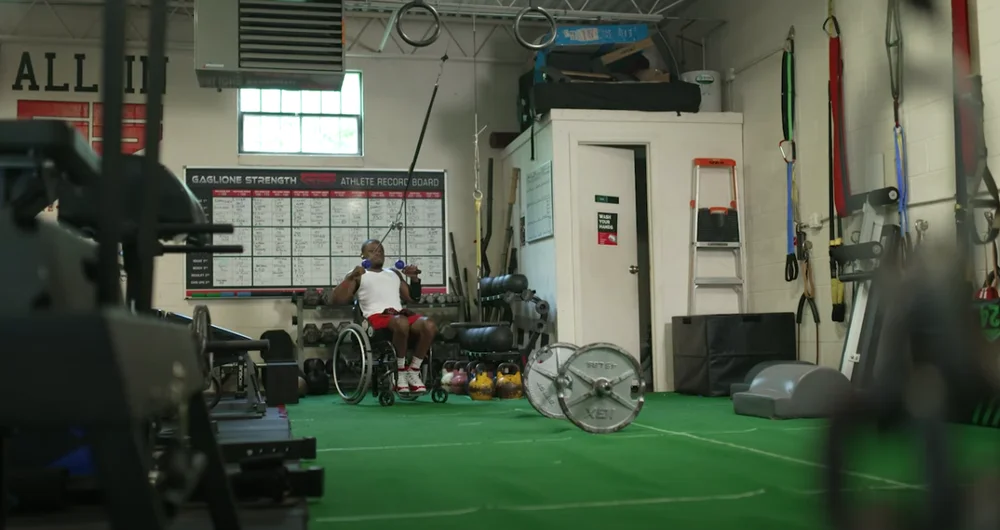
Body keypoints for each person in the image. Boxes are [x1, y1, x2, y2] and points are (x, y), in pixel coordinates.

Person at [329, 239, 437, 394]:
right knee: (402, 323)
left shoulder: (393, 273)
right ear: (362, 255)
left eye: (380, 251)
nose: (378, 253)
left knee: (429, 325)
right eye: (372, 251)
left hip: (399, 316)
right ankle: (399, 372)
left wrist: (414, 279)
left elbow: (413, 298)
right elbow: (336, 300)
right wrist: (350, 278)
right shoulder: (359, 275)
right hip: (376, 320)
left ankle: (413, 371)